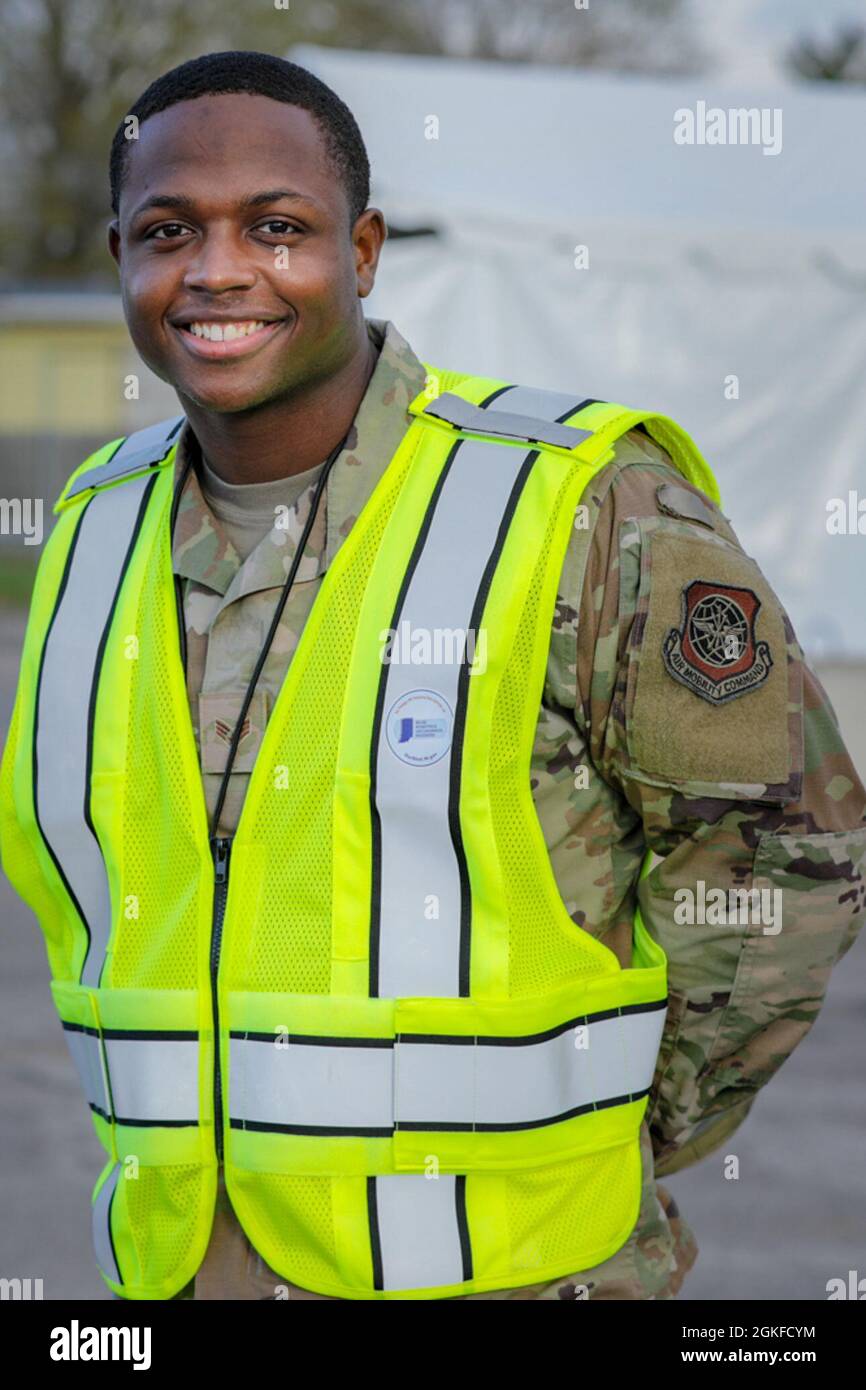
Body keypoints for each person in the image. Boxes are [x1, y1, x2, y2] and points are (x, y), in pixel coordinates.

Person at [2, 49, 864, 1303]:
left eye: (277, 227)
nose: (218, 269)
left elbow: (792, 853)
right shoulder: (90, 523)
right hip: (179, 1269)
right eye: (169, 229)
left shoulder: (582, 504)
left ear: (360, 252)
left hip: (513, 1273)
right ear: (122, 254)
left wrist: (619, 1129)